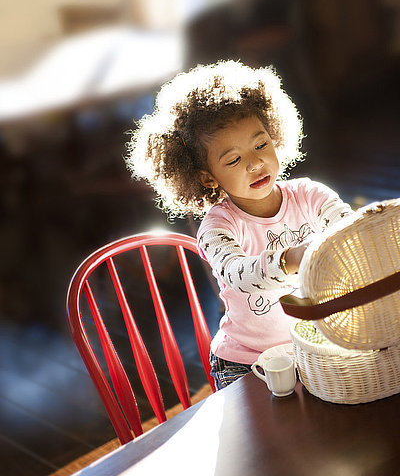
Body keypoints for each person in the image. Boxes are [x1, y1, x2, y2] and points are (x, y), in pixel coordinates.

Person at [126, 60, 353, 390]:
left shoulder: (310, 195)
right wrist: (292, 258)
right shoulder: (218, 227)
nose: (256, 162)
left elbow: (349, 232)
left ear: (275, 136)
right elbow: (238, 274)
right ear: (206, 177)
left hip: (314, 345)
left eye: (261, 144)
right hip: (246, 362)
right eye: (233, 159)